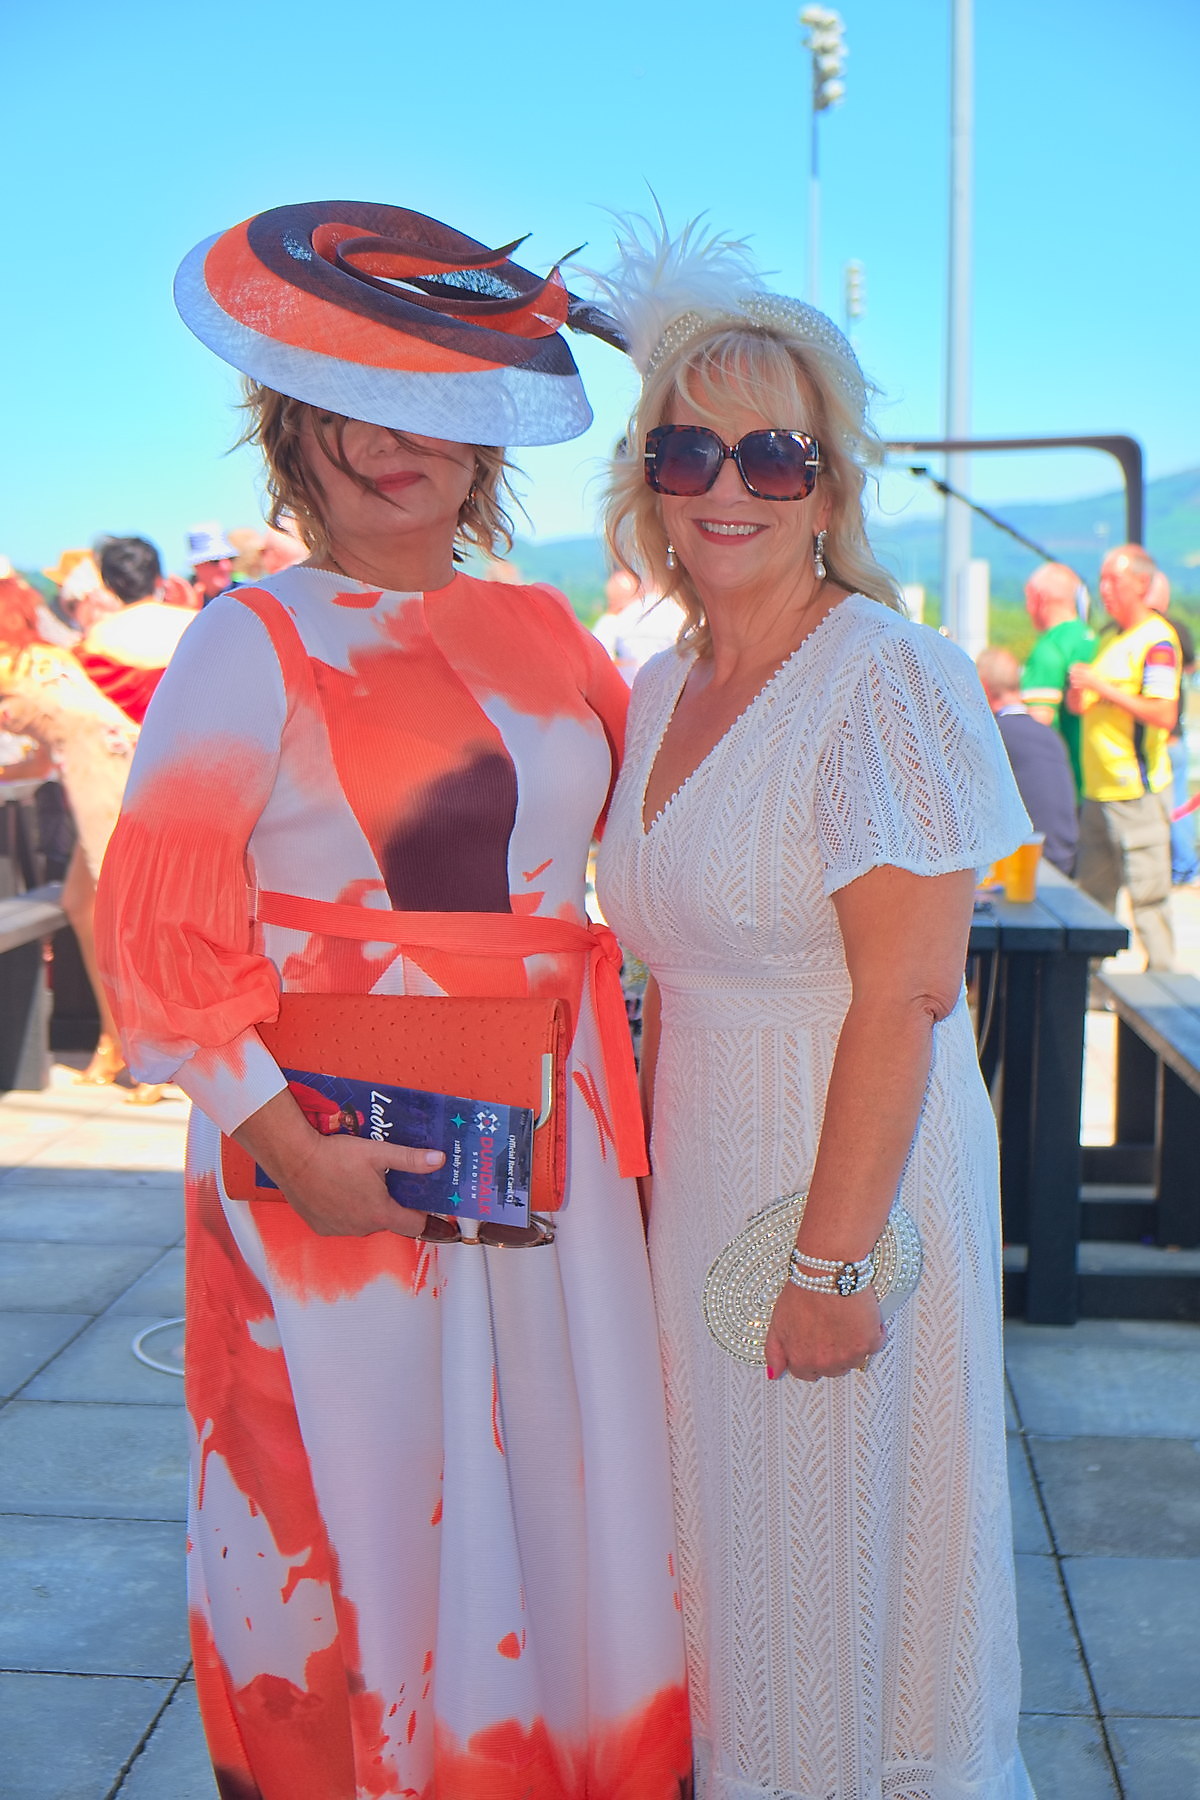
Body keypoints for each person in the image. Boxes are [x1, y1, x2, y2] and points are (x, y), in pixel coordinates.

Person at [95, 200, 689, 1800]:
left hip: (553, 1138)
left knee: (559, 1478)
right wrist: (283, 1147)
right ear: (290, 430)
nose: (390, 439)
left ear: (483, 431)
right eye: (350, 403)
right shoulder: (250, 638)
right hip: (332, 1151)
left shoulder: (548, 629)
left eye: (431, 400)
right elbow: (155, 929)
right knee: (354, 1493)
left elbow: (659, 843)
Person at [592, 216, 1035, 1800]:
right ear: (644, 476)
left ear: (832, 489)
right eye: (687, 449)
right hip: (708, 1163)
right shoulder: (659, 689)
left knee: (847, 1566)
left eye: (771, 455)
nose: (724, 486)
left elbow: (911, 990)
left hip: (842, 1179)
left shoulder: (888, 678)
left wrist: (834, 1264)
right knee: (741, 1557)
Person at [0, 572, 143, 1088]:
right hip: (118, 758)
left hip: (96, 772)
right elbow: (40, 756)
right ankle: (116, 1040)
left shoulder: (11, 662)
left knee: (119, 911)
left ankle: (149, 1054)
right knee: (83, 906)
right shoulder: (44, 657)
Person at [1068, 544, 1181, 969]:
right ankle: (1091, 984)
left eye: (1112, 580)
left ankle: (1163, 984)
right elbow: (1086, 704)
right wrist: (1082, 694)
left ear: (1140, 583)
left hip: (1136, 790)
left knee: (1148, 896)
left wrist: (1105, 688)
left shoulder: (1157, 640)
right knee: (1093, 896)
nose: (1104, 590)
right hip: (1098, 788)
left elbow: (1163, 713)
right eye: (1101, 580)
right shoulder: (1110, 637)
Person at [978, 645, 1078, 873]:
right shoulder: (1049, 734)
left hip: (1029, 865)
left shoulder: (994, 735)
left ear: (982, 686)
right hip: (1064, 857)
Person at [79, 536, 196, 723]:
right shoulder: (196, 623)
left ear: (109, 585)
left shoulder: (94, 640)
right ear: (158, 579)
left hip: (132, 748)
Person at [1019, 559, 1095, 795]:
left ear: (1038, 598)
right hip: (1099, 782)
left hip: (1067, 785)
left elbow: (1038, 724)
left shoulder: (1049, 648)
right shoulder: (1098, 640)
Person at [1146, 568, 1198, 886]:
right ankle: (1186, 867)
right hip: (1174, 735)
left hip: (1156, 737)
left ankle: (1180, 867)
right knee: (1179, 807)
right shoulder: (1179, 630)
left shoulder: (1138, 634)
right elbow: (1190, 666)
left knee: (1162, 811)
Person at [592, 566, 686, 684]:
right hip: (671, 688)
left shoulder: (619, 619)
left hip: (629, 691)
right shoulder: (678, 613)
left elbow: (600, 657)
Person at [186, 521, 238, 602]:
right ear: (197, 566)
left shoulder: (249, 595)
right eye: (215, 561)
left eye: (230, 559)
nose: (226, 567)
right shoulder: (182, 603)